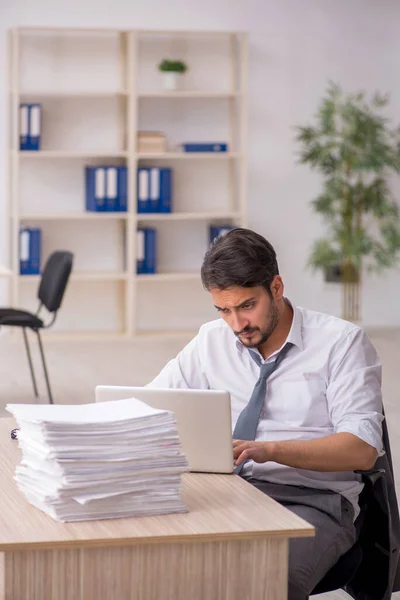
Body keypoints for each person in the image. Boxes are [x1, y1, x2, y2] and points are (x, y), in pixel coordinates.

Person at [146, 227, 384, 600]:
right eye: (224, 310)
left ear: (276, 287)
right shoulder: (212, 339)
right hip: (228, 491)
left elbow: (361, 449)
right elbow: (150, 404)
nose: (237, 324)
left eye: (246, 306)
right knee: (150, 564)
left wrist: (269, 449)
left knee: (263, 582)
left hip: (314, 502)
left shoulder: (341, 344)